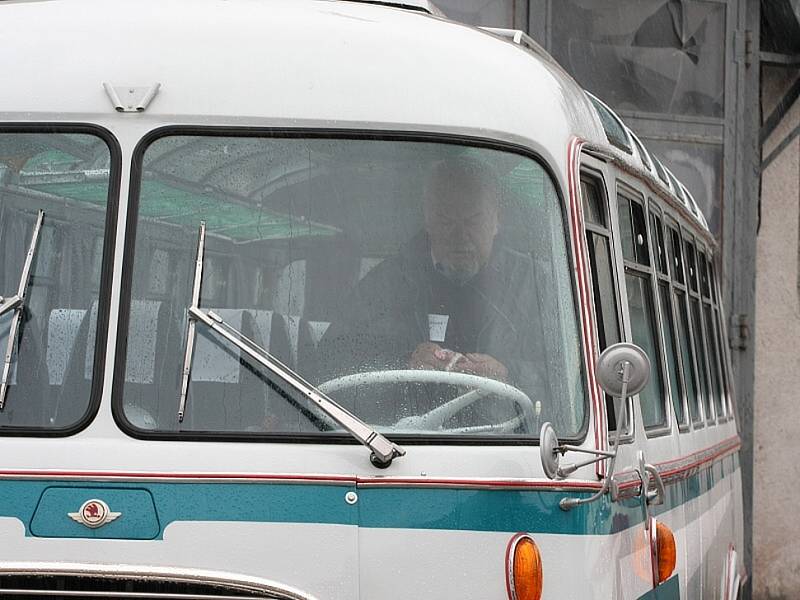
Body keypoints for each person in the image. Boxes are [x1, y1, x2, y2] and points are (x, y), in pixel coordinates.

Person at [314, 156, 547, 423]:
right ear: (427, 219)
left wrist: (508, 375)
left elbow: (569, 379)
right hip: (399, 444)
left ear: (497, 220)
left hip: (510, 445)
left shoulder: (536, 287)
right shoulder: (386, 285)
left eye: (473, 221)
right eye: (447, 221)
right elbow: (330, 365)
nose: (460, 235)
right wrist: (404, 362)